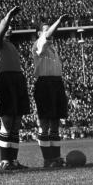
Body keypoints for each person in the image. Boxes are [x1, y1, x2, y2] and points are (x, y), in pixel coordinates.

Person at [0, 6, 30, 170]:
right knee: (7, 119)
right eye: (7, 26)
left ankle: (13, 160)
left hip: (17, 78)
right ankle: (5, 160)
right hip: (5, 79)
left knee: (17, 121)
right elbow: (1, 30)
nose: (10, 28)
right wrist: (8, 17)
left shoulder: (11, 45)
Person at [32, 15, 69, 167]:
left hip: (56, 83)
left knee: (55, 122)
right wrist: (59, 21)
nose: (50, 33)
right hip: (45, 84)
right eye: (46, 30)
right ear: (39, 33)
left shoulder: (54, 48)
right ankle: (48, 159)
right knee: (45, 122)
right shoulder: (38, 44)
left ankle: (56, 157)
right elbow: (47, 36)